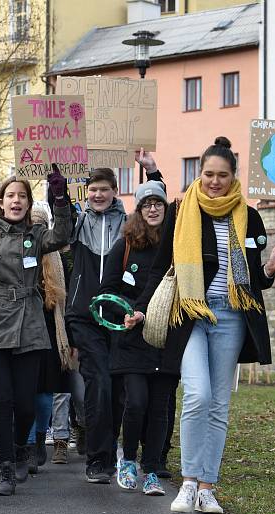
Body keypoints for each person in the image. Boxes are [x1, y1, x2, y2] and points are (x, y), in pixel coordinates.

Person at [126, 137, 275, 514]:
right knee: (197, 396)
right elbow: (159, 268)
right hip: (191, 315)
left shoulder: (249, 216)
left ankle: (206, 486)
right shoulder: (181, 212)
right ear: (199, 174)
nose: (215, 181)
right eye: (208, 174)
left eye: (223, 175)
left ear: (234, 177)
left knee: (218, 404)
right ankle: (186, 482)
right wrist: (140, 308)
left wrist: (269, 267)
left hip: (232, 314)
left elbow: (254, 278)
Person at [0, 166, 72, 496]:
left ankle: (21, 445)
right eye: (10, 196)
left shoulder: (36, 235)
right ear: (1, 202)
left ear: (28, 201)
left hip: (29, 324)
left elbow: (62, 236)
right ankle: (6, 468)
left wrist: (60, 199)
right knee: (2, 401)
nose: (16, 201)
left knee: (25, 405)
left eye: (22, 196)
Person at [65, 151, 164, 484]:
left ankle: (125, 453)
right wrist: (57, 185)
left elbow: (157, 207)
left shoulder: (128, 224)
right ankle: (98, 458)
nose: (98, 194)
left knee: (121, 390)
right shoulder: (78, 222)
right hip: (85, 315)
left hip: (121, 318)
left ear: (115, 191)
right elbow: (61, 218)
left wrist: (151, 171)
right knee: (100, 385)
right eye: (93, 189)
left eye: (105, 189)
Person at [98, 181, 174, 497]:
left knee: (160, 408)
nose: (153, 208)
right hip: (132, 339)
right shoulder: (126, 246)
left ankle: (152, 469)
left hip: (167, 337)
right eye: (147, 204)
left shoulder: (175, 247)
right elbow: (106, 290)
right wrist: (126, 312)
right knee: (137, 402)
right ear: (139, 211)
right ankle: (128, 460)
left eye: (159, 203)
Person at [25, 205, 73, 471]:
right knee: (25, 391)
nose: (35, 229)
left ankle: (40, 437)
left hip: (51, 330)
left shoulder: (60, 256)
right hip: (23, 328)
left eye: (40, 225)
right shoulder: (20, 249)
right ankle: (29, 444)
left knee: (44, 394)